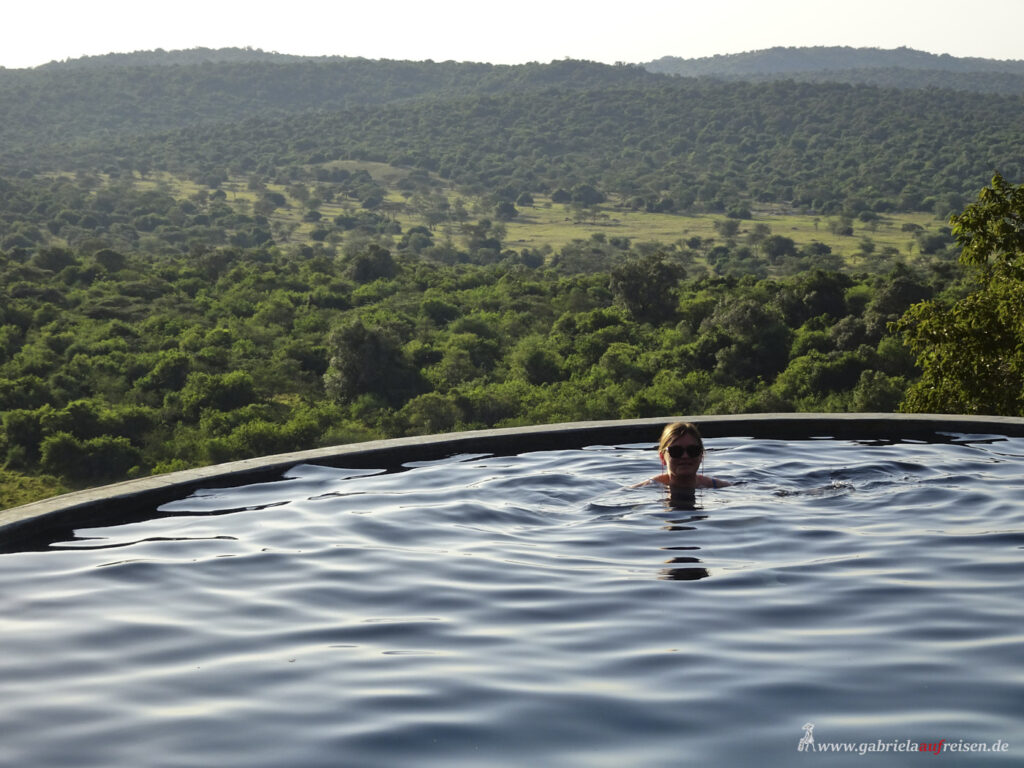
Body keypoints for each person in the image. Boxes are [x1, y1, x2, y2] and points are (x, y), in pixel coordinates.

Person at [639, 421, 730, 490]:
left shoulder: (720, 487)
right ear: (662, 457)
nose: (685, 456)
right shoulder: (645, 489)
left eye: (693, 450)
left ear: (701, 455)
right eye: (676, 451)